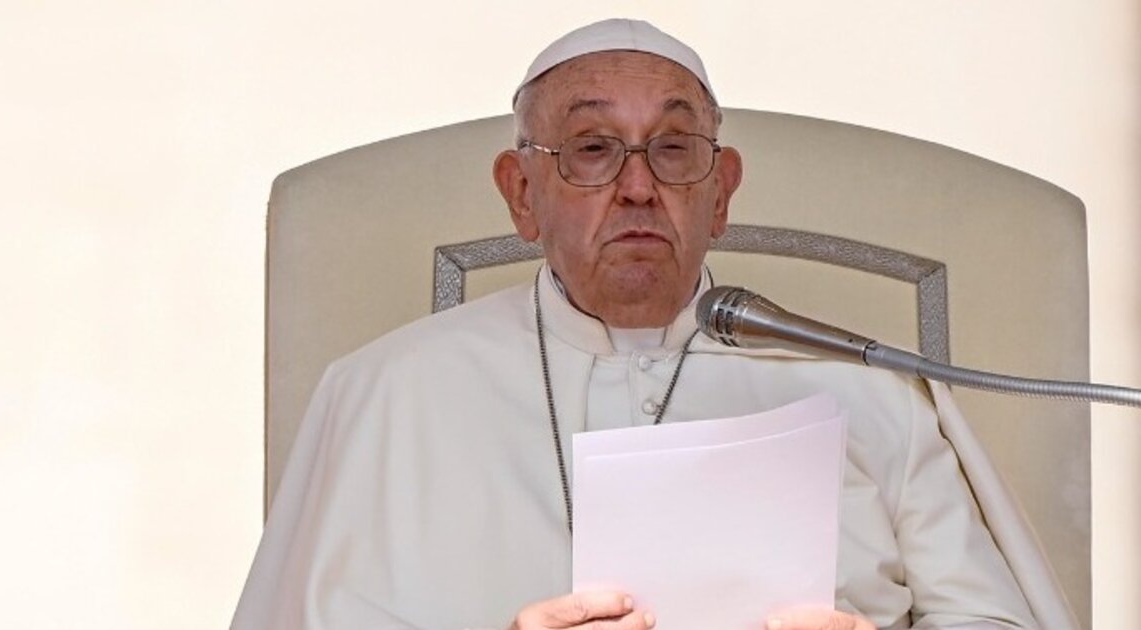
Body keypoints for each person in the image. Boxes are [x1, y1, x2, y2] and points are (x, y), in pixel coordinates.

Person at [233, 19, 1054, 630]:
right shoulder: (383, 396)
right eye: (592, 148)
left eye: (673, 147)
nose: (637, 187)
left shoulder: (870, 391)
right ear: (521, 195)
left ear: (721, 193)